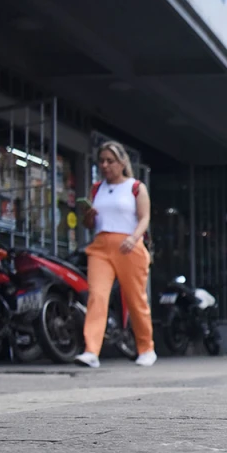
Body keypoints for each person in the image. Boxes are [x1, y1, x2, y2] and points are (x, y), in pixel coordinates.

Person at [75, 141, 156, 368]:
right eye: (101, 161)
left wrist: (133, 237)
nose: (105, 165)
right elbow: (90, 223)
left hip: (129, 246)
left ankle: (146, 348)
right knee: (97, 297)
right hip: (100, 246)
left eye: (110, 161)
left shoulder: (136, 187)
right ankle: (91, 350)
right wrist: (88, 215)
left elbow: (145, 218)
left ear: (122, 163)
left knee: (135, 298)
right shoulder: (96, 188)